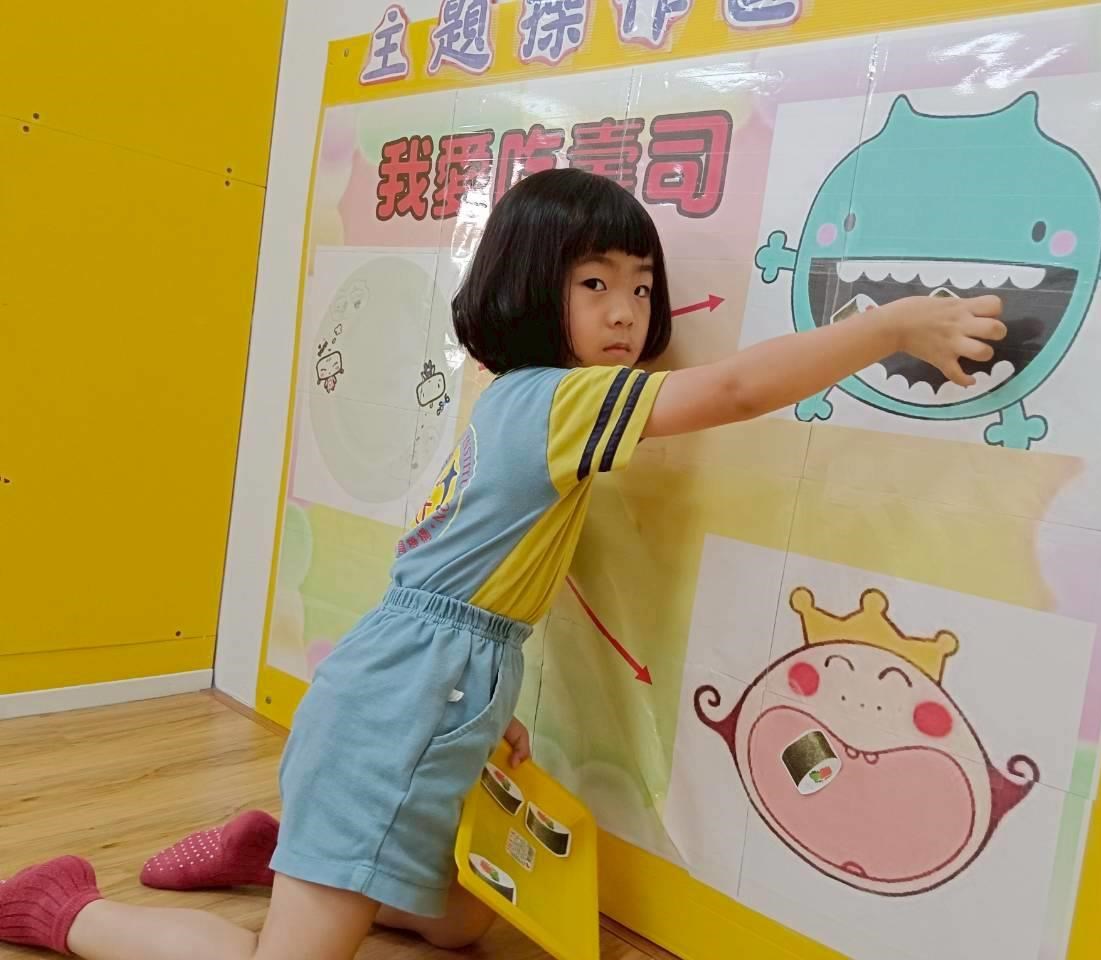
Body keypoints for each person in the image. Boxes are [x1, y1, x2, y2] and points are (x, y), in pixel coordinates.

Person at [0, 168, 1005, 960]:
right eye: (595, 283)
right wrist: (889, 324)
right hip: (402, 696)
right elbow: (735, 391)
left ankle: (284, 854)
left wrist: (478, 708)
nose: (627, 311)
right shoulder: (560, 402)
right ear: (529, 284)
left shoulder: (521, 396)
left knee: (464, 921)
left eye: (642, 286)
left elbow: (471, 578)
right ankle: (74, 912)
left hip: (430, 683)